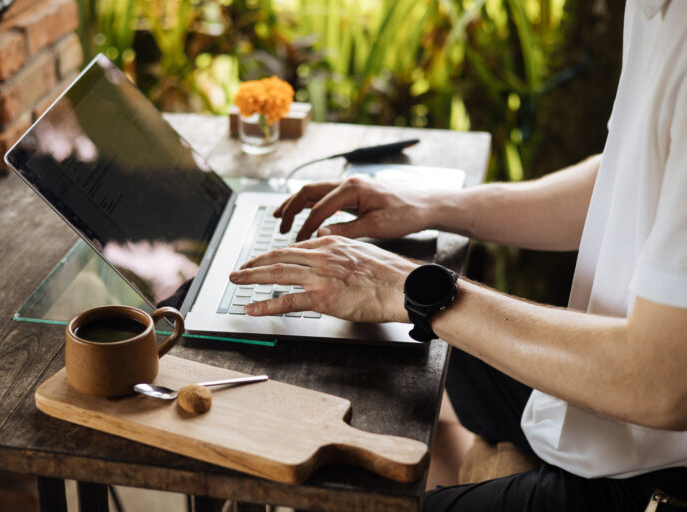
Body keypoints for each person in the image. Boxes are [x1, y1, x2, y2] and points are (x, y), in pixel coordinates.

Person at [229, 1, 687, 510]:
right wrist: (430, 205)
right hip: (620, 404)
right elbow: (632, 176)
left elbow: (658, 384)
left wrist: (414, 289)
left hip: (659, 465)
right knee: (399, 351)